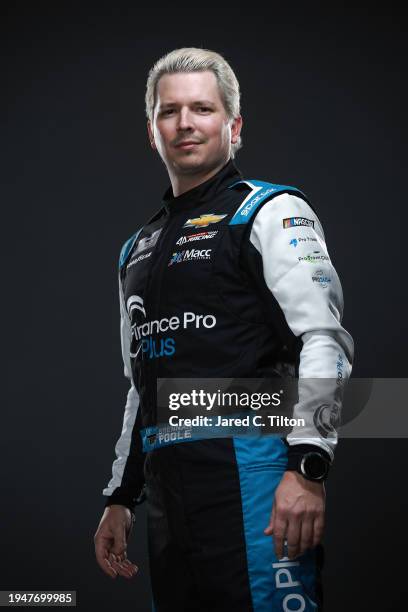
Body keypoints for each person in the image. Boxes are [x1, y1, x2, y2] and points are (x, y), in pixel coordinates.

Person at [94, 47, 354, 611]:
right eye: (170, 111)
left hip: (256, 475)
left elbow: (324, 340)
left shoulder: (270, 211)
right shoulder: (136, 248)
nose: (185, 123)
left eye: (202, 109)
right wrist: (121, 498)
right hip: (170, 491)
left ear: (233, 126)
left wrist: (308, 466)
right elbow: (143, 384)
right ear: (152, 130)